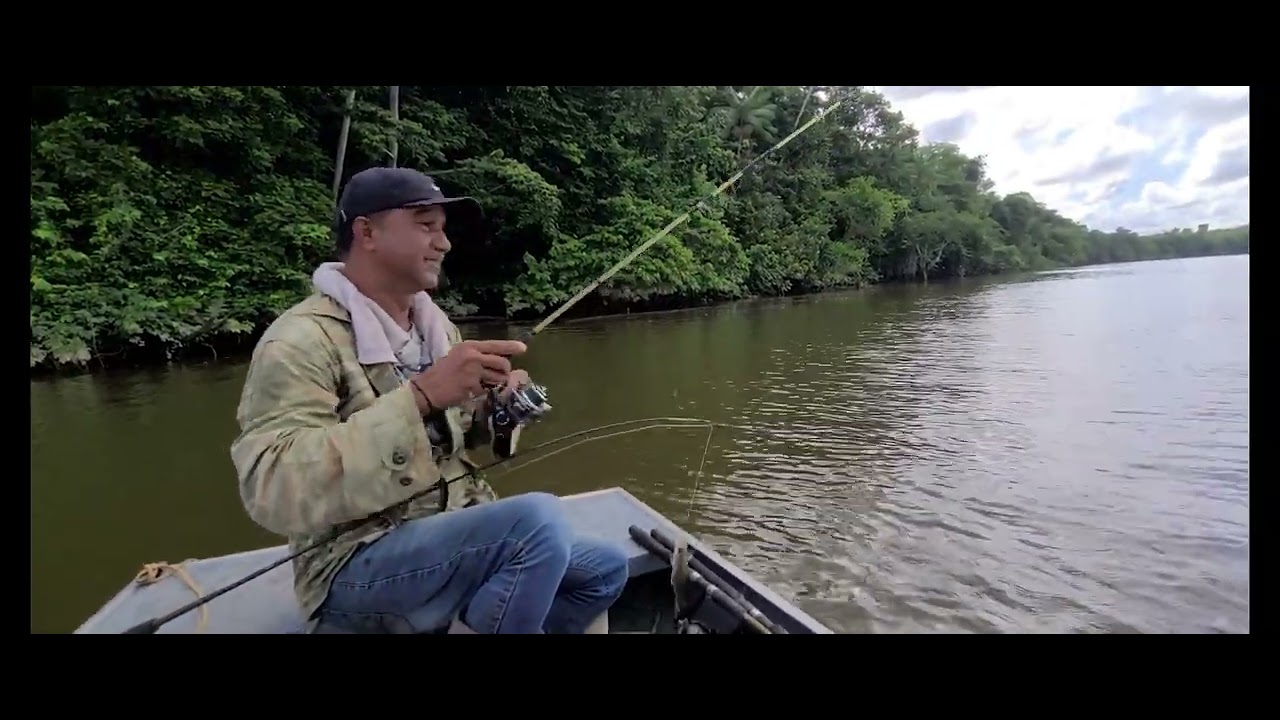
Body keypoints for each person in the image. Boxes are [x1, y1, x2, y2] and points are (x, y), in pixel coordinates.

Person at [229, 166, 630, 634]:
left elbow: (449, 438)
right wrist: (421, 395)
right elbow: (272, 488)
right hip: (354, 567)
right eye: (426, 226)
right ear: (367, 232)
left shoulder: (435, 328)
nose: (444, 243)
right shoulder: (299, 342)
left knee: (605, 568)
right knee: (538, 522)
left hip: (453, 533)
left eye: (443, 229)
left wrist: (496, 409)